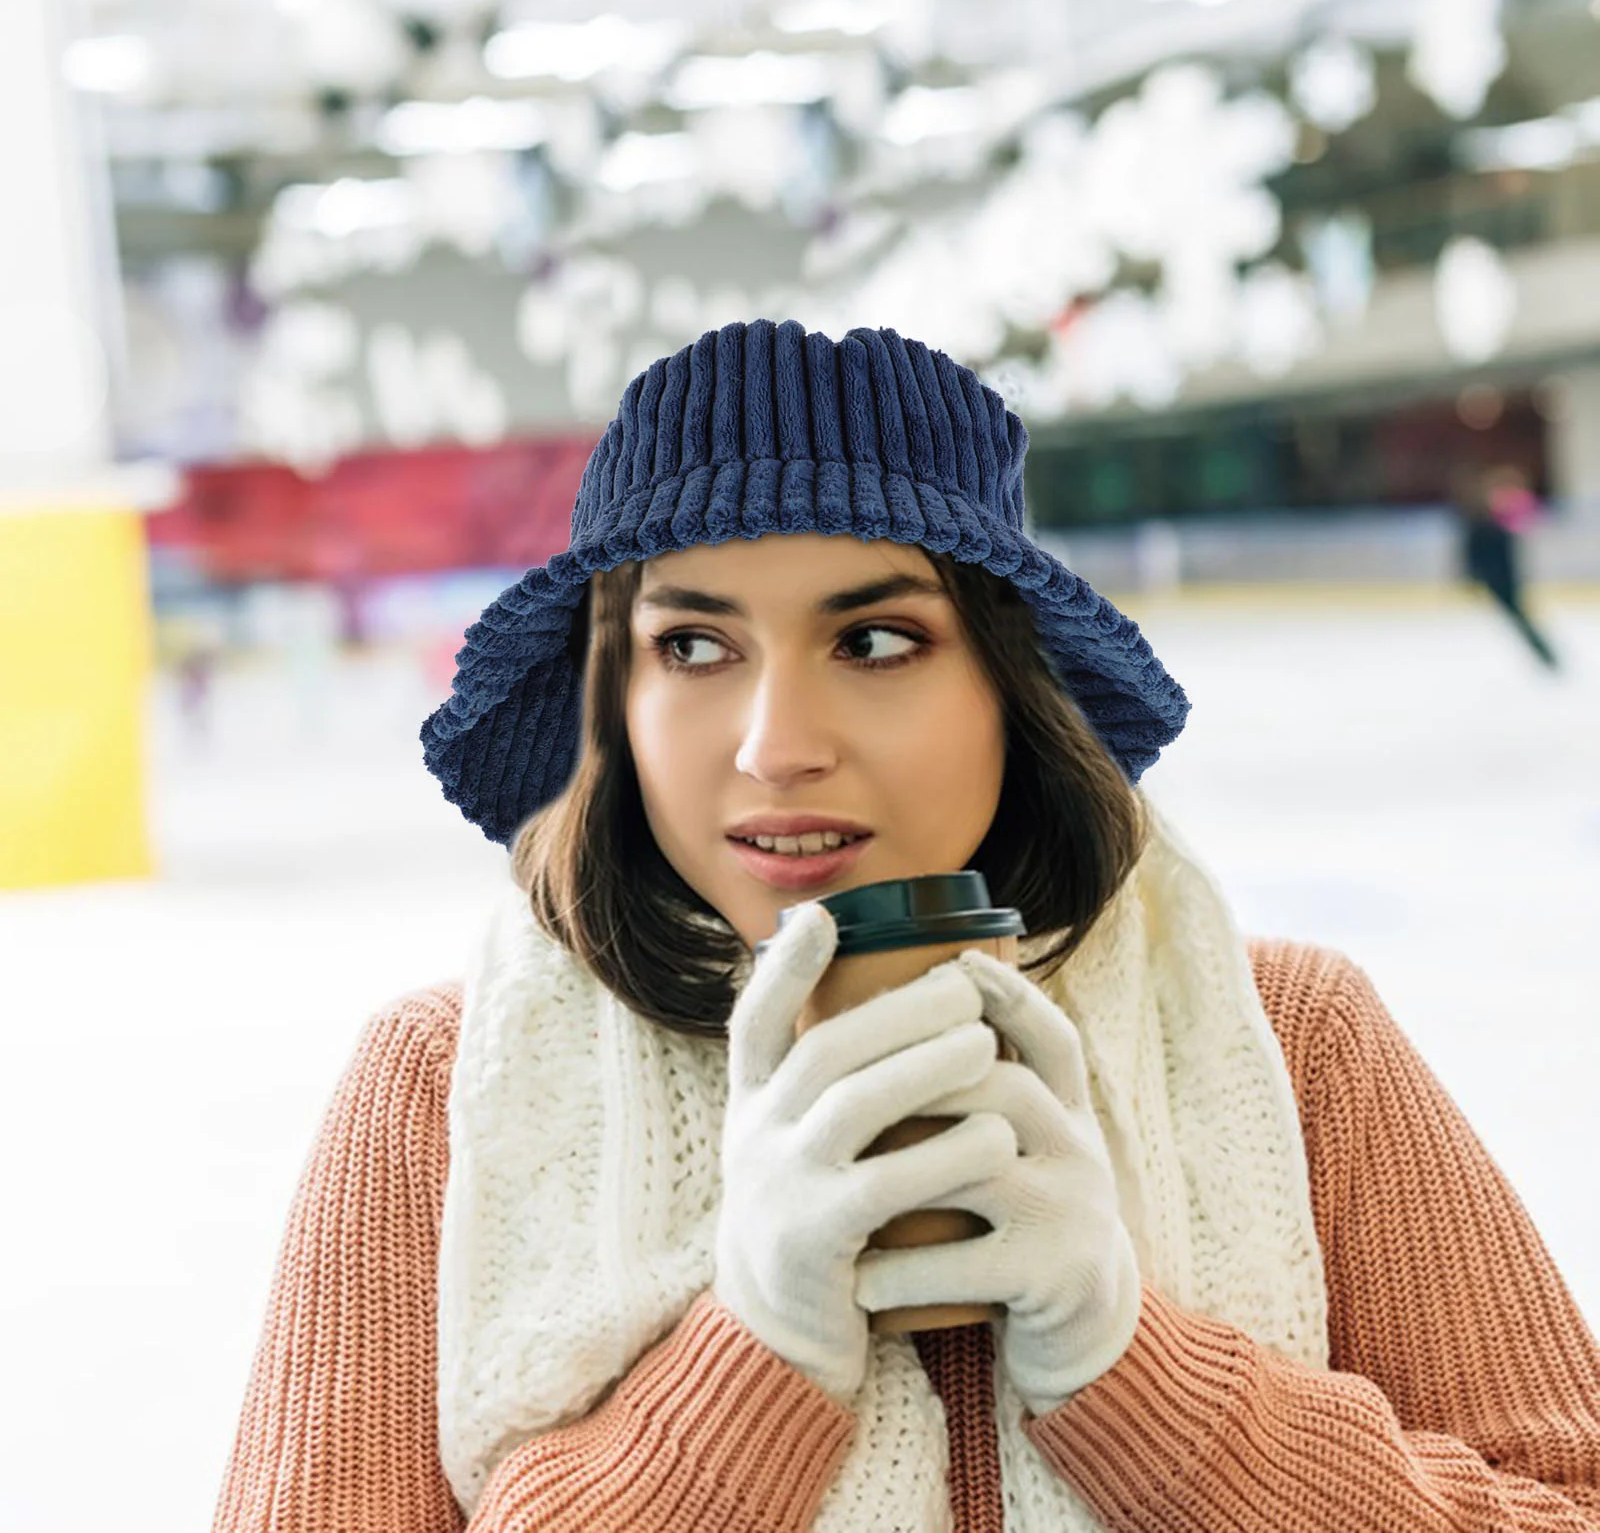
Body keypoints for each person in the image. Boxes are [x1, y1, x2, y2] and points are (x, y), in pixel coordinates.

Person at [212, 322, 1600, 1532]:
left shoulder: (1297, 1047)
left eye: (873, 641)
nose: (776, 746)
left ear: (1009, 681)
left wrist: (1141, 1383)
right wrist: (748, 1370)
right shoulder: (443, 1095)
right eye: (693, 646)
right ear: (614, 703)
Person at [1457, 460, 1561, 670]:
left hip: (1506, 579)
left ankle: (1547, 658)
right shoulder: (1482, 523)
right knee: (1519, 618)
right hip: (1496, 579)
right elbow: (1472, 554)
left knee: (1520, 618)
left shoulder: (1499, 524)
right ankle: (1547, 657)